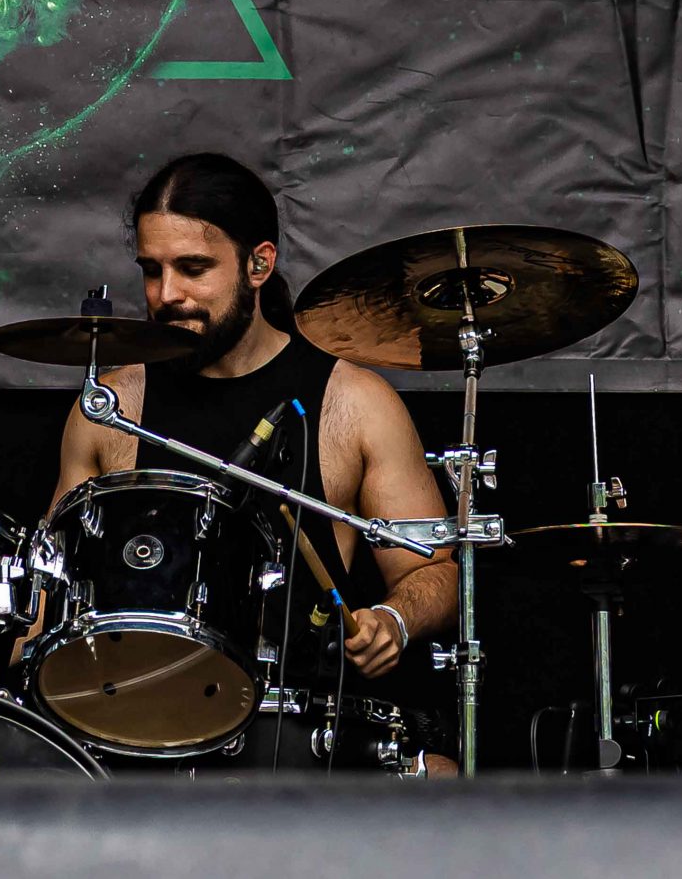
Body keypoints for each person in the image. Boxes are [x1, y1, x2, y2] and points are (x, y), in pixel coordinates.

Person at [49, 152, 460, 693]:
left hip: (290, 718)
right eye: (152, 270)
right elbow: (50, 581)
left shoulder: (354, 401)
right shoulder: (112, 407)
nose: (166, 294)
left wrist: (395, 620)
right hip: (136, 707)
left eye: (194, 269)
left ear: (259, 265)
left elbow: (434, 571)